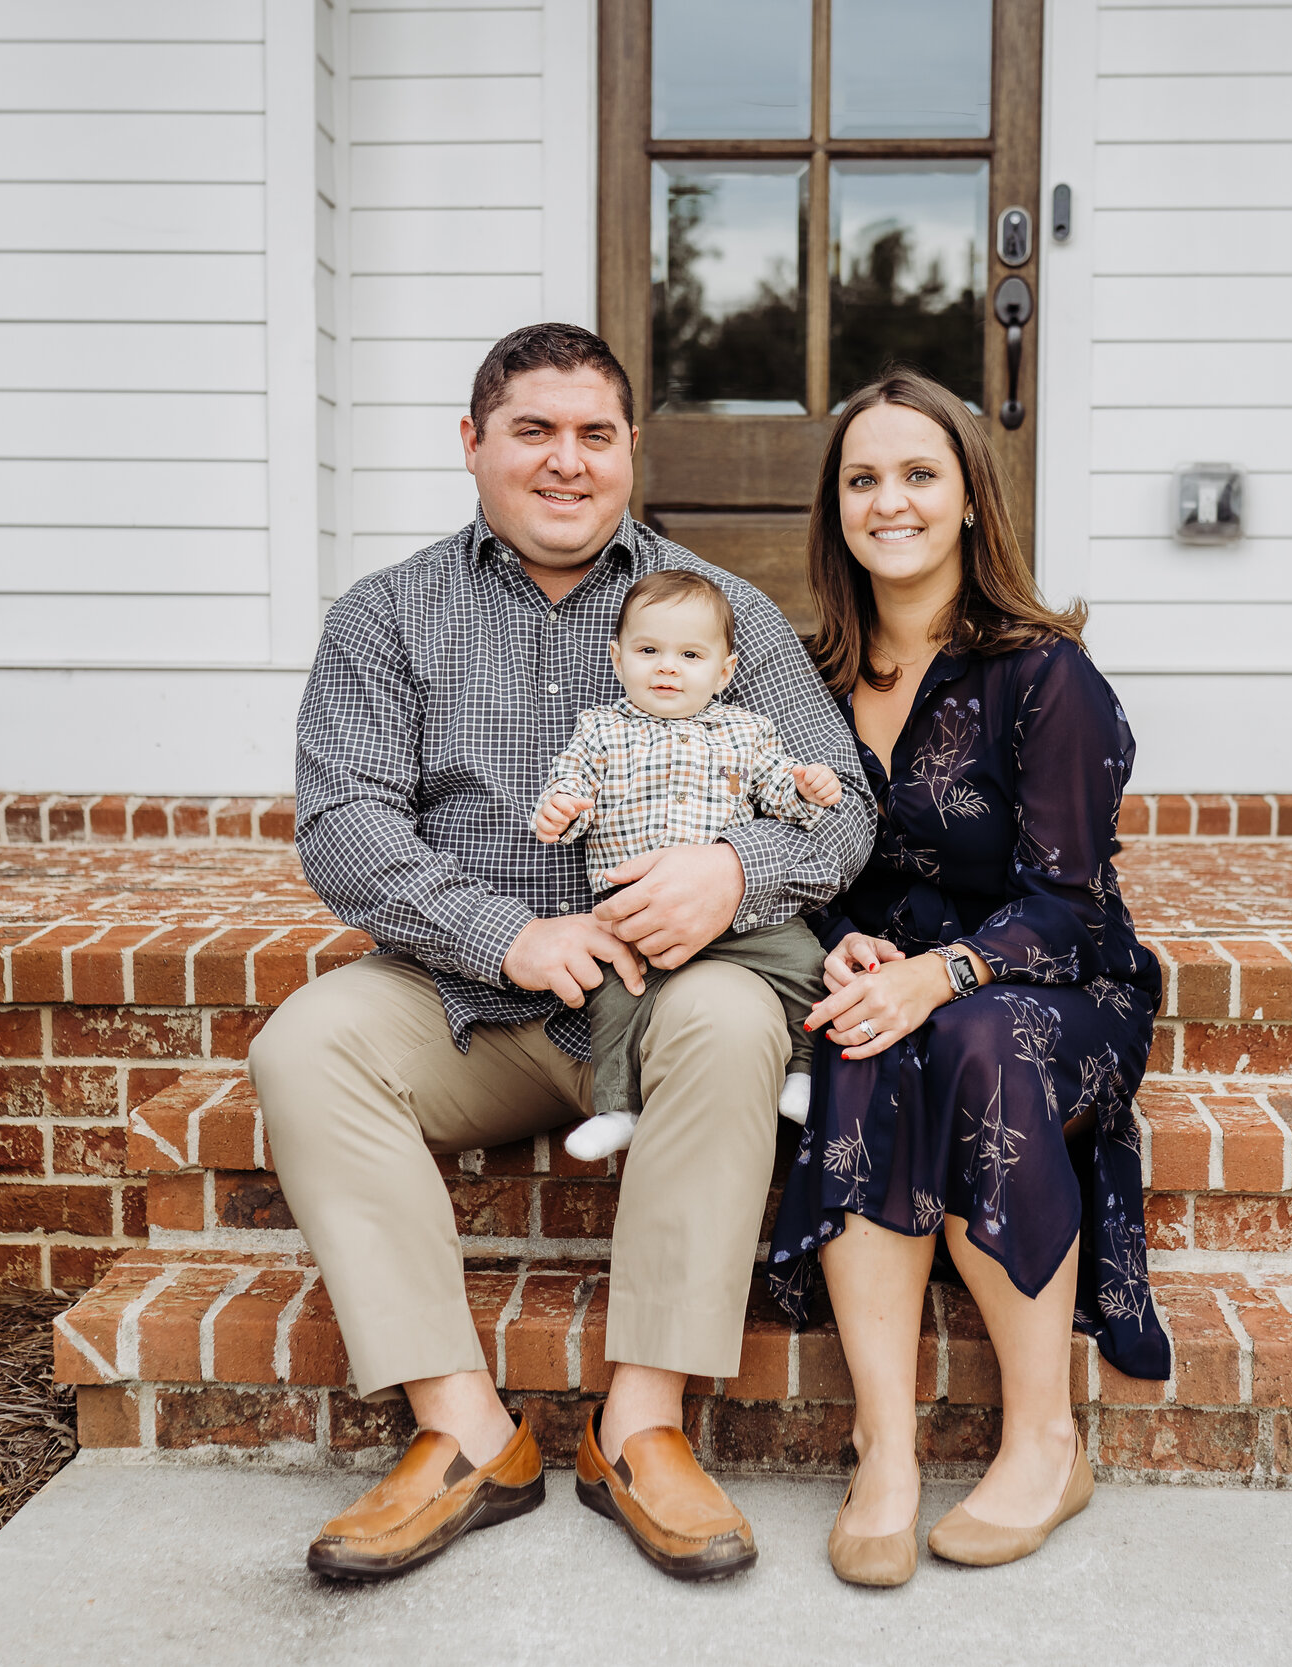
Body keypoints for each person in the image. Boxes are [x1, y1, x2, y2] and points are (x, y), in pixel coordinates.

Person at [252, 322, 874, 1584]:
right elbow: (343, 825)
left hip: (669, 997)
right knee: (304, 1046)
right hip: (465, 1000)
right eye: (532, 430)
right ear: (472, 444)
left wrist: (735, 872)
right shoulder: (386, 617)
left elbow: (845, 803)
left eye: (595, 434)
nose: (565, 462)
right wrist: (511, 933)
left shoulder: (721, 609)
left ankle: (638, 1423)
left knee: (737, 1021)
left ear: (633, 450)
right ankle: (470, 1433)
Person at [764, 369, 1170, 1588]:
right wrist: (834, 939)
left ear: (971, 500)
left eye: (918, 473)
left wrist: (945, 971)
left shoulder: (1046, 676)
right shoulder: (804, 679)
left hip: (1055, 989)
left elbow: (1065, 900)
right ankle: (884, 1449)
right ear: (836, 508)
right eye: (863, 478)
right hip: (897, 986)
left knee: (977, 1036)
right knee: (859, 1027)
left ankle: (1045, 1439)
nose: (889, 499)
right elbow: (794, 856)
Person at [533, 567, 844, 1161]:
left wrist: (806, 787)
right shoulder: (601, 731)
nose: (667, 666)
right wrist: (561, 811)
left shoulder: (746, 733)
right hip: (636, 918)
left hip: (737, 917)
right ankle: (619, 1107)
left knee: (808, 965)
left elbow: (777, 790)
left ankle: (803, 1073)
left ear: (723, 671)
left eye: (690, 654)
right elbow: (572, 785)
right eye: (649, 650)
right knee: (616, 998)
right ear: (619, 659)